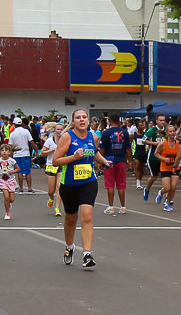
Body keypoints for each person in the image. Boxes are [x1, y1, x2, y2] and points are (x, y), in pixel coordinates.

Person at [50, 109, 105, 268]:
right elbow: (55, 161)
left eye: (84, 117)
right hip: (69, 184)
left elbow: (94, 152)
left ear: (88, 120)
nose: (81, 120)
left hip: (88, 181)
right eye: (78, 117)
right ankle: (69, 247)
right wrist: (74, 157)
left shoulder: (93, 137)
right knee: (70, 219)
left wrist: (104, 161)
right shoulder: (67, 137)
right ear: (73, 121)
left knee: (87, 216)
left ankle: (87, 254)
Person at [100, 116, 130, 215]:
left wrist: (100, 161)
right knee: (121, 184)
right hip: (121, 159)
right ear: (118, 121)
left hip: (109, 159)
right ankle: (123, 207)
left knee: (110, 184)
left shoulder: (105, 133)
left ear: (109, 121)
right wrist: (130, 161)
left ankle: (111, 206)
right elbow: (128, 149)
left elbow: (102, 149)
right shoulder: (125, 132)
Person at [7, 117, 35, 193]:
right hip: (26, 154)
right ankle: (29, 188)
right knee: (27, 172)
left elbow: (10, 146)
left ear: (14, 124)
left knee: (20, 172)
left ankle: (21, 188)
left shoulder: (12, 133)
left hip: (17, 154)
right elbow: (31, 142)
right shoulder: (26, 131)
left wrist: (10, 154)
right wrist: (36, 151)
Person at [0, 150, 17, 220]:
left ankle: (8, 204)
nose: (4, 152)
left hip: (11, 181)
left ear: (9, 152)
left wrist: (13, 171)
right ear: (0, 152)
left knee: (11, 199)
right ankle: (7, 213)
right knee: (6, 197)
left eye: (6, 150)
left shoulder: (12, 161)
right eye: (2, 150)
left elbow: (18, 169)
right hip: (2, 181)